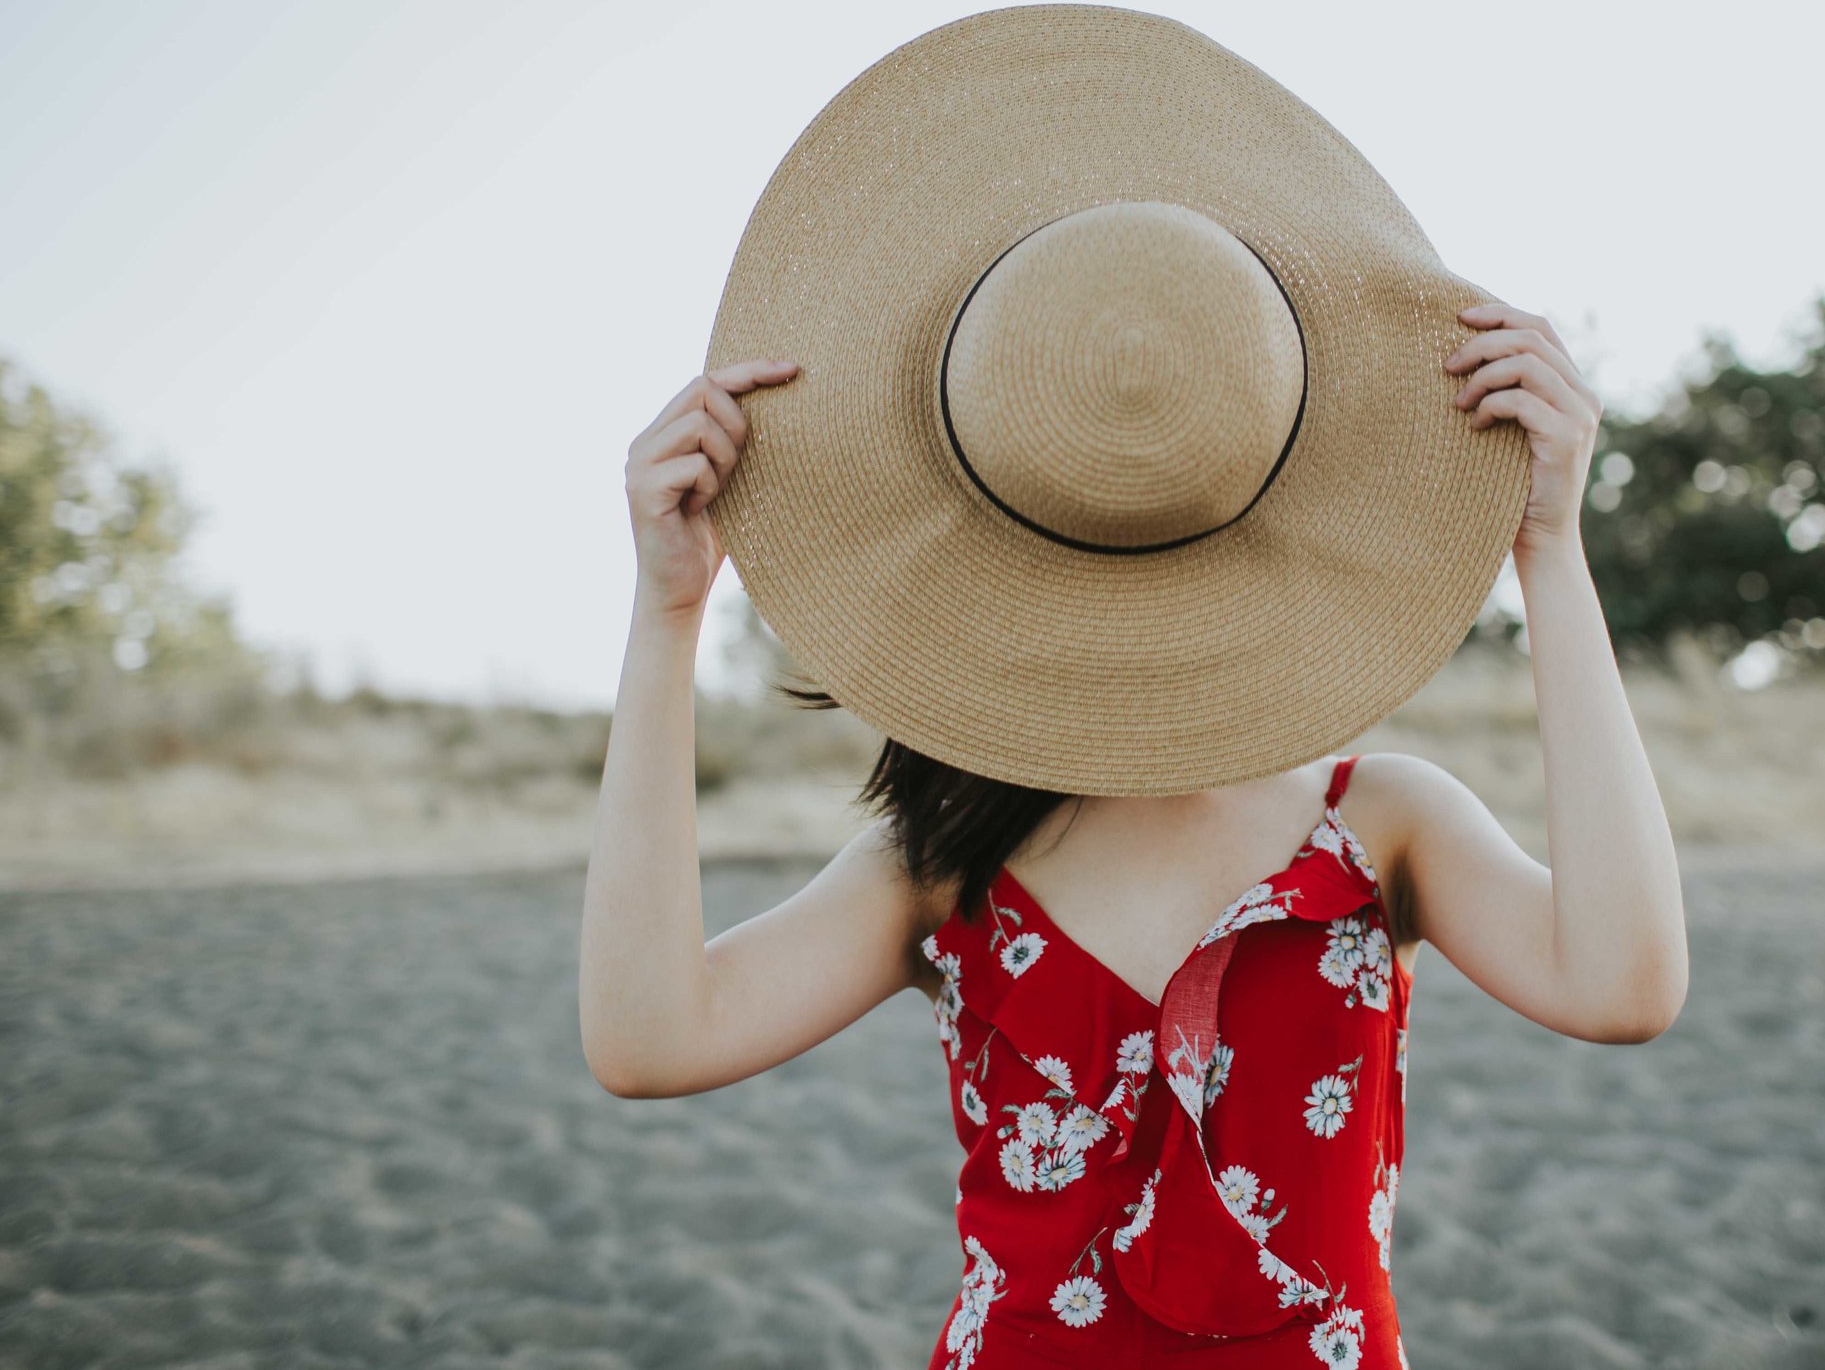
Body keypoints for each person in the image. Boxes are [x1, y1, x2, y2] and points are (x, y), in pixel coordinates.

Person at [580, 296, 1687, 1368]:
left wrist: (1551, 551)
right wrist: (666, 614)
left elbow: (1624, 987)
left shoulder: (1379, 825)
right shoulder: (945, 861)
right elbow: (650, 1041)